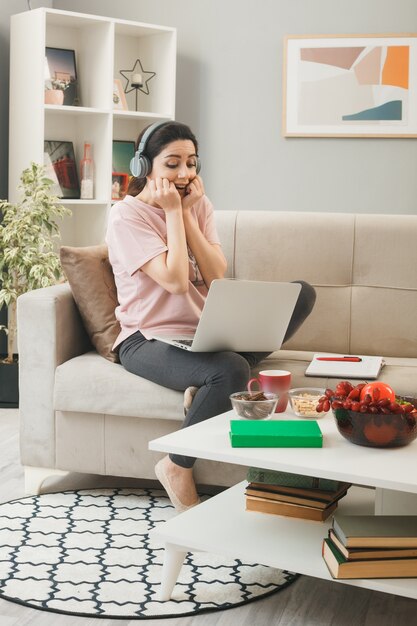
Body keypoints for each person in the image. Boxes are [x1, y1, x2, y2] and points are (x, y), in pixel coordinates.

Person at [106, 121, 316, 512]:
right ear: (143, 166)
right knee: (232, 370)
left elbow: (216, 274)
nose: (185, 174)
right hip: (146, 339)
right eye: (172, 164)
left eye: (191, 163)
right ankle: (175, 464)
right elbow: (175, 281)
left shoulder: (198, 205)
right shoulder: (126, 216)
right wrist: (172, 212)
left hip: (203, 330)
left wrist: (186, 214)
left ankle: (204, 388)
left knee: (301, 294)